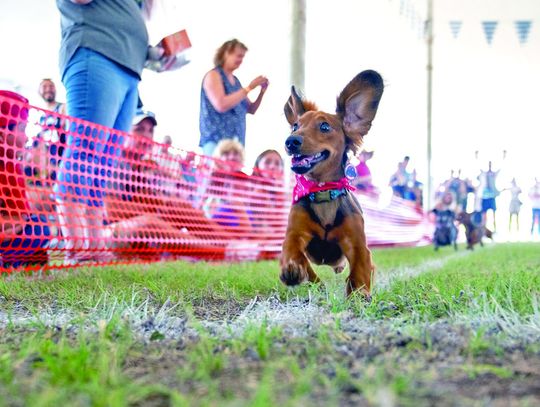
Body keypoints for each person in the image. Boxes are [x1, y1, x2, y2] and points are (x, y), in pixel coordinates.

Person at [54, 0, 149, 263]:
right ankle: (76, 246)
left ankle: (94, 245)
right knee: (85, 149)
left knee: (104, 163)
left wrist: (156, 53)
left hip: (129, 70)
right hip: (94, 52)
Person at [0, 90, 51, 269]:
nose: (26, 137)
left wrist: (12, 224)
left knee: (40, 227)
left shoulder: (12, 168)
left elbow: (18, 216)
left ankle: (11, 260)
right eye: (22, 129)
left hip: (6, 235)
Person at [199, 38, 269, 157]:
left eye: (242, 57)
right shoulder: (214, 75)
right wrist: (249, 88)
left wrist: (262, 91)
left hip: (236, 146)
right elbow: (221, 104)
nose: (240, 60)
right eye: (238, 56)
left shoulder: (236, 82)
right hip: (216, 142)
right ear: (226, 53)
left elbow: (251, 109)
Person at [476, 161, 500, 232]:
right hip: (484, 197)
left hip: (492, 197)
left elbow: (499, 170)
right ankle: (483, 229)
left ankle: (494, 229)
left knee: (494, 214)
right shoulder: (484, 174)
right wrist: (476, 157)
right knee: (484, 215)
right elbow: (479, 166)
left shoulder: (493, 174)